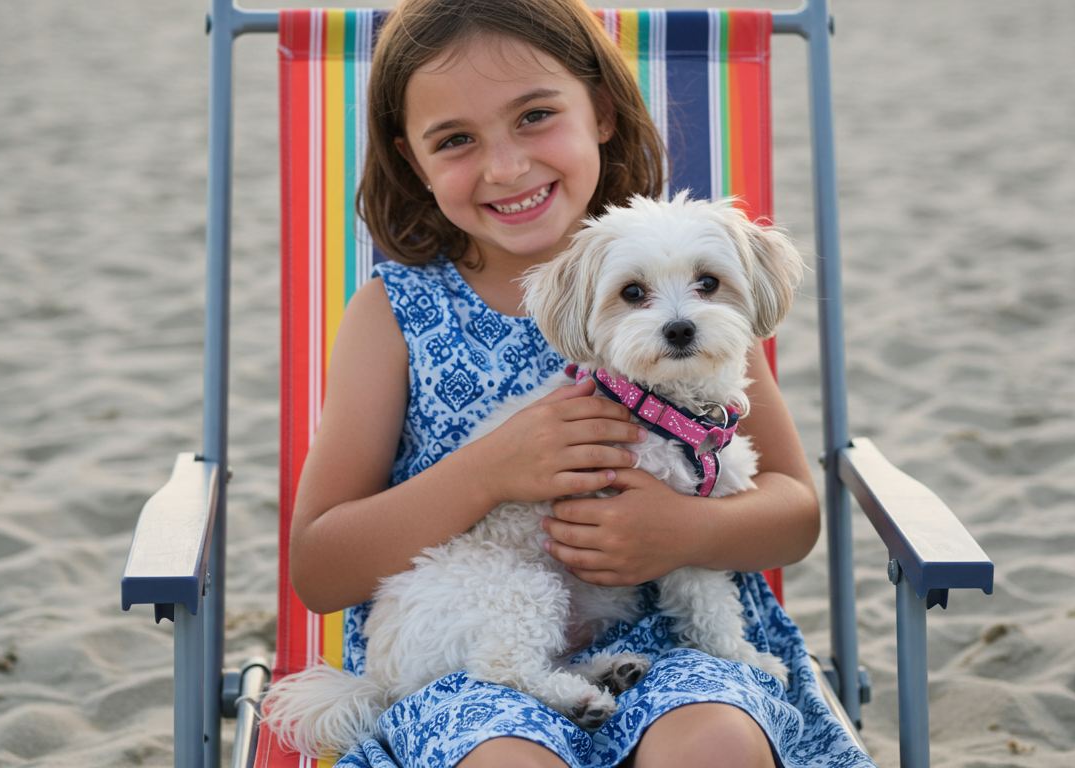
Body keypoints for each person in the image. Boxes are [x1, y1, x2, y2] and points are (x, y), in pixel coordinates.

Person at [287, 0, 867, 765]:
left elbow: (794, 513)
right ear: (413, 162)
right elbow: (319, 569)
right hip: (474, 671)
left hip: (688, 658)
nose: (506, 166)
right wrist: (490, 470)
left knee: (717, 745)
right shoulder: (393, 314)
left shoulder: (697, 312)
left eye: (534, 115)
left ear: (600, 110)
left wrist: (687, 532)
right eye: (456, 140)